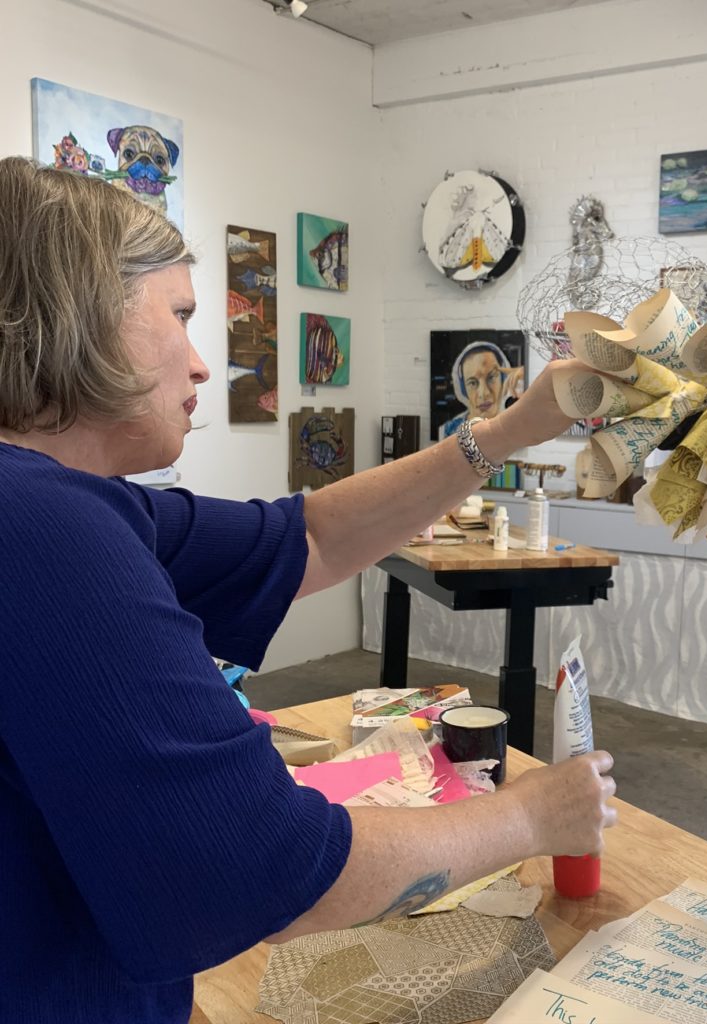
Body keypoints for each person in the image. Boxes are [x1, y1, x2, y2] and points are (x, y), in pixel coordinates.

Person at [0, 156, 616, 1024]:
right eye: (178, 316)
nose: (203, 365)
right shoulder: (41, 529)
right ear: (82, 319)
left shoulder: (70, 507)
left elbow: (310, 538)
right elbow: (265, 874)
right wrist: (532, 817)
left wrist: (517, 426)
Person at [440, 340, 526, 438]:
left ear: (503, 379)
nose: (484, 393)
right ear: (463, 390)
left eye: (491, 377)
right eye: (472, 383)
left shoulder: (516, 426)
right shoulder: (449, 431)